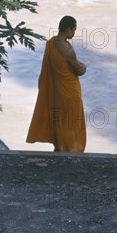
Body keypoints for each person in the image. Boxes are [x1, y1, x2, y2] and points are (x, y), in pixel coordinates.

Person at [26, 16, 87, 152]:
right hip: (71, 92)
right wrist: (84, 66)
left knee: (60, 119)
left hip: (58, 91)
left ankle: (60, 146)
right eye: (74, 30)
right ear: (68, 29)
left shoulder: (51, 43)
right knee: (71, 121)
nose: (74, 33)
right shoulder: (67, 50)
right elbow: (79, 70)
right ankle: (70, 149)